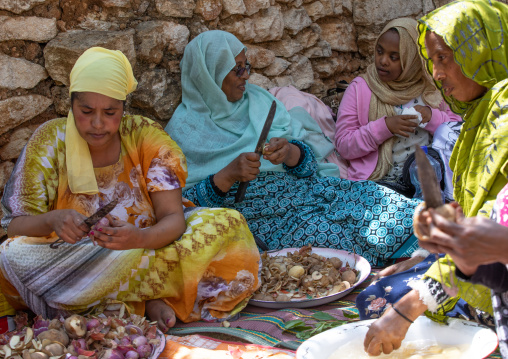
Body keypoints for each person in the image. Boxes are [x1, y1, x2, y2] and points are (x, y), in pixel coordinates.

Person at [0, 47, 260, 332]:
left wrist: (139, 237)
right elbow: (14, 227)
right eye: (86, 111)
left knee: (229, 226)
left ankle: (114, 305)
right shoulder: (49, 141)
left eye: (110, 112)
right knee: (10, 257)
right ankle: (145, 300)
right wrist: (53, 220)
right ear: (71, 105)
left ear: (123, 108)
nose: (97, 124)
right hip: (72, 260)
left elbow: (173, 218)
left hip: (146, 248)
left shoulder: (144, 136)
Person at [165, 30, 422, 267]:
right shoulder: (183, 133)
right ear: (210, 76)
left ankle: (444, 244)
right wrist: (228, 175)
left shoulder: (260, 102)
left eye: (247, 67)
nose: (246, 76)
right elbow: (182, 210)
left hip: (312, 193)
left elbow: (309, 167)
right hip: (265, 220)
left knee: (384, 204)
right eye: (236, 70)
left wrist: (290, 153)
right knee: (336, 241)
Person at [361, 0, 508, 355]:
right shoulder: (479, 117)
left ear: (480, 51)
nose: (437, 74)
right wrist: (437, 241)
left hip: (491, 274)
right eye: (433, 61)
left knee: (384, 301)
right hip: (486, 267)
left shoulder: (502, 121)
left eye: (445, 58)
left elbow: (492, 233)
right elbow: (481, 231)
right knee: (375, 296)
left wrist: (410, 307)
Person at [334, 18, 461, 197]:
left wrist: (432, 118)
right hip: (377, 183)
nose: (383, 61)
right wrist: (384, 127)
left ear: (412, 59)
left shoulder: (431, 89)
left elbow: (457, 132)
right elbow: (344, 145)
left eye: (394, 57)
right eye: (380, 52)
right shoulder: (361, 88)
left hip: (425, 180)